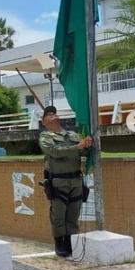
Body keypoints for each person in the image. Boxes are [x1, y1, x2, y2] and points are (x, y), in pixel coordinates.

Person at [39, 106, 93, 257]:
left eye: (54, 113)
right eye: (48, 115)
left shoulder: (73, 135)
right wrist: (77, 147)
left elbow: (82, 153)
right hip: (58, 181)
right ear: (44, 122)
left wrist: (86, 146)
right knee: (58, 215)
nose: (53, 116)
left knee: (73, 214)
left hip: (75, 179)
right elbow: (54, 152)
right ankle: (60, 244)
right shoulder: (46, 137)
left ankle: (70, 243)